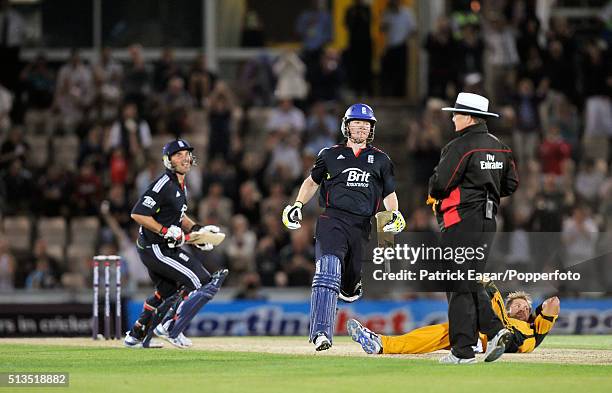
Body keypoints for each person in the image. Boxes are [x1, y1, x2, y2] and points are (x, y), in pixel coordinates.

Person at [282, 103, 405, 351]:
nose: (360, 127)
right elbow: (311, 182)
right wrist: (296, 204)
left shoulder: (381, 159)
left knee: (348, 287)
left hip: (362, 226)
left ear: (371, 128)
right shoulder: (329, 154)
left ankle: (350, 285)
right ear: (346, 126)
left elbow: (389, 193)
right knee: (327, 270)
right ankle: (321, 333)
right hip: (332, 220)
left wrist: (394, 213)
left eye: (365, 123)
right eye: (356, 123)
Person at [427, 92, 519, 364]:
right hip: (488, 222)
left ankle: (484, 337)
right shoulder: (501, 147)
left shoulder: (460, 146)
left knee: (458, 281)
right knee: (464, 279)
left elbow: (439, 184)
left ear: (468, 116)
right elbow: (511, 185)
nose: (453, 118)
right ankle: (470, 346)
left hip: (461, 221)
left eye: (456, 113)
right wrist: (486, 191)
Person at [124, 138, 228, 349]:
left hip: (160, 247)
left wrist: (197, 231)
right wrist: (163, 230)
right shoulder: (163, 184)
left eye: (186, 154)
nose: (184, 158)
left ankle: (135, 336)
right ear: (168, 161)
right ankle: (171, 326)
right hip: (156, 248)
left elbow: (179, 216)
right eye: (178, 155)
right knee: (203, 282)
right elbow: (138, 214)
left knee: (166, 293)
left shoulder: (180, 184)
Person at [348, 281, 560, 356]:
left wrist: (536, 310)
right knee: (440, 333)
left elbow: (554, 303)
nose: (523, 308)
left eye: (526, 306)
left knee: (483, 286)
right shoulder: (497, 312)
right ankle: (381, 344)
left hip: (496, 339)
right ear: (508, 308)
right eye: (518, 305)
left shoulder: (535, 329)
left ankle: (383, 344)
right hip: (482, 334)